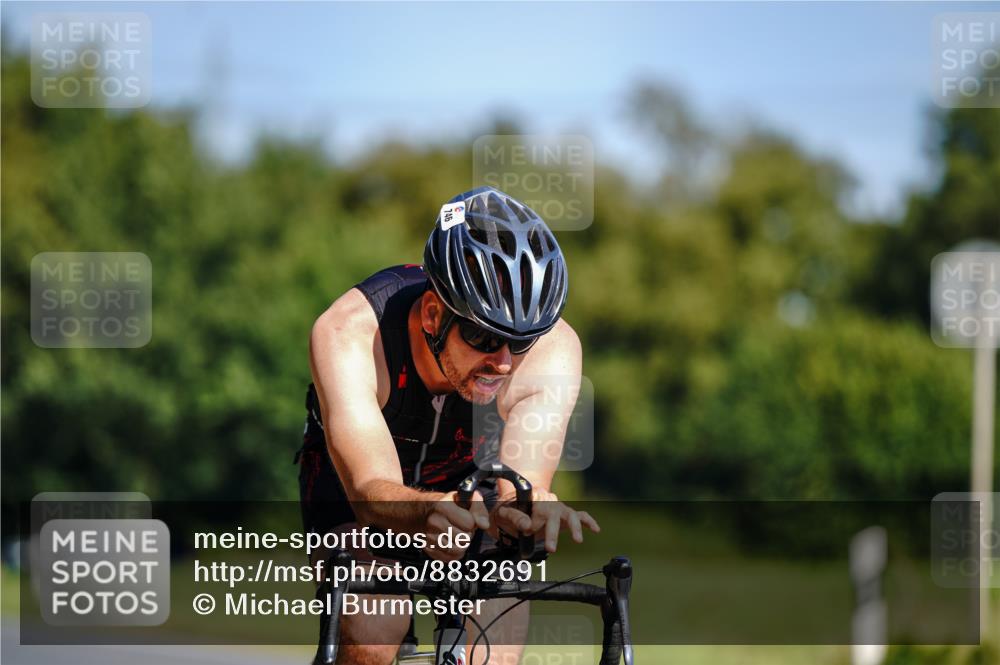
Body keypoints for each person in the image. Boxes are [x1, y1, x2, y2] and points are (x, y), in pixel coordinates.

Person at [297, 186, 599, 664]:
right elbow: (370, 489)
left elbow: (518, 484)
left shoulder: (553, 348)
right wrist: (427, 510)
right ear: (435, 314)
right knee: (374, 629)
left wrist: (533, 505)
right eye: (483, 336)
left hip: (468, 484)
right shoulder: (350, 332)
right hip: (361, 487)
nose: (502, 363)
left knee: (491, 648)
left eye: (519, 344)